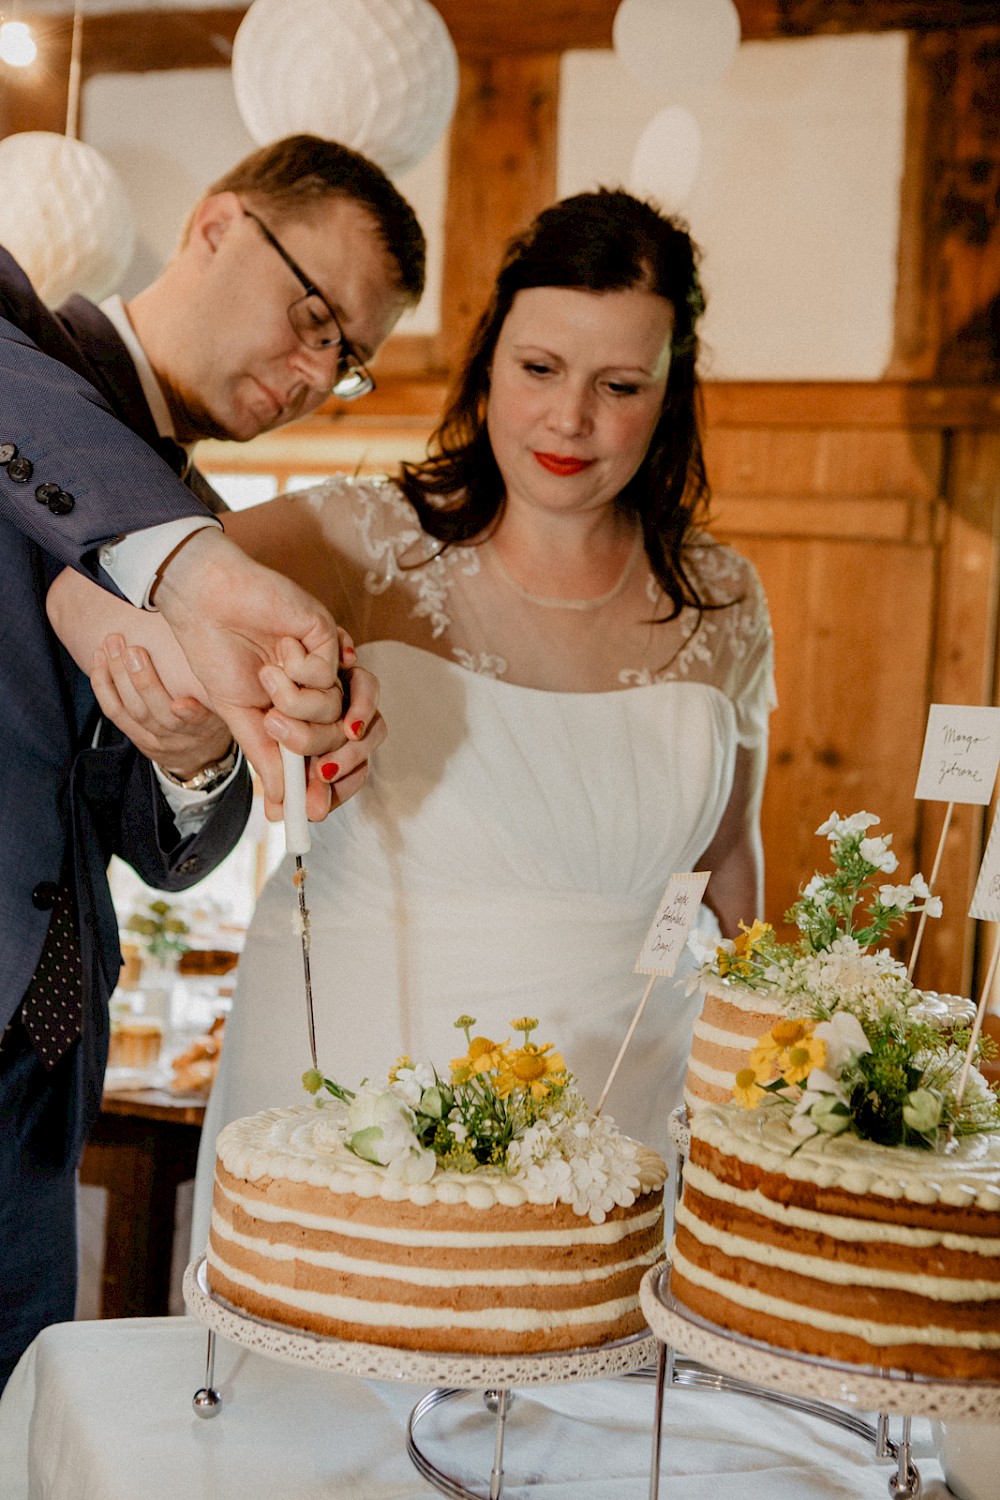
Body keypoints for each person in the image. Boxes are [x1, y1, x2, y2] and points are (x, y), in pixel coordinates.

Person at [50, 189, 774, 1253]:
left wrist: (775, 1074)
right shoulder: (363, 539)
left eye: (618, 385)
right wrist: (187, 708)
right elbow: (93, 573)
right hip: (362, 1085)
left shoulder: (726, 595)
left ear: (670, 393)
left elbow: (729, 861)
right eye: (538, 370)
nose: (569, 420)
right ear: (488, 363)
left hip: (634, 1111)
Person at [0, 134, 426, 1388]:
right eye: (312, 315)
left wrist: (195, 756)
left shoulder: (204, 522)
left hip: (40, 1088)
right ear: (215, 224)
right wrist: (190, 566)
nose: (312, 370)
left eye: (345, 360)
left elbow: (164, 844)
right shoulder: (26, 356)